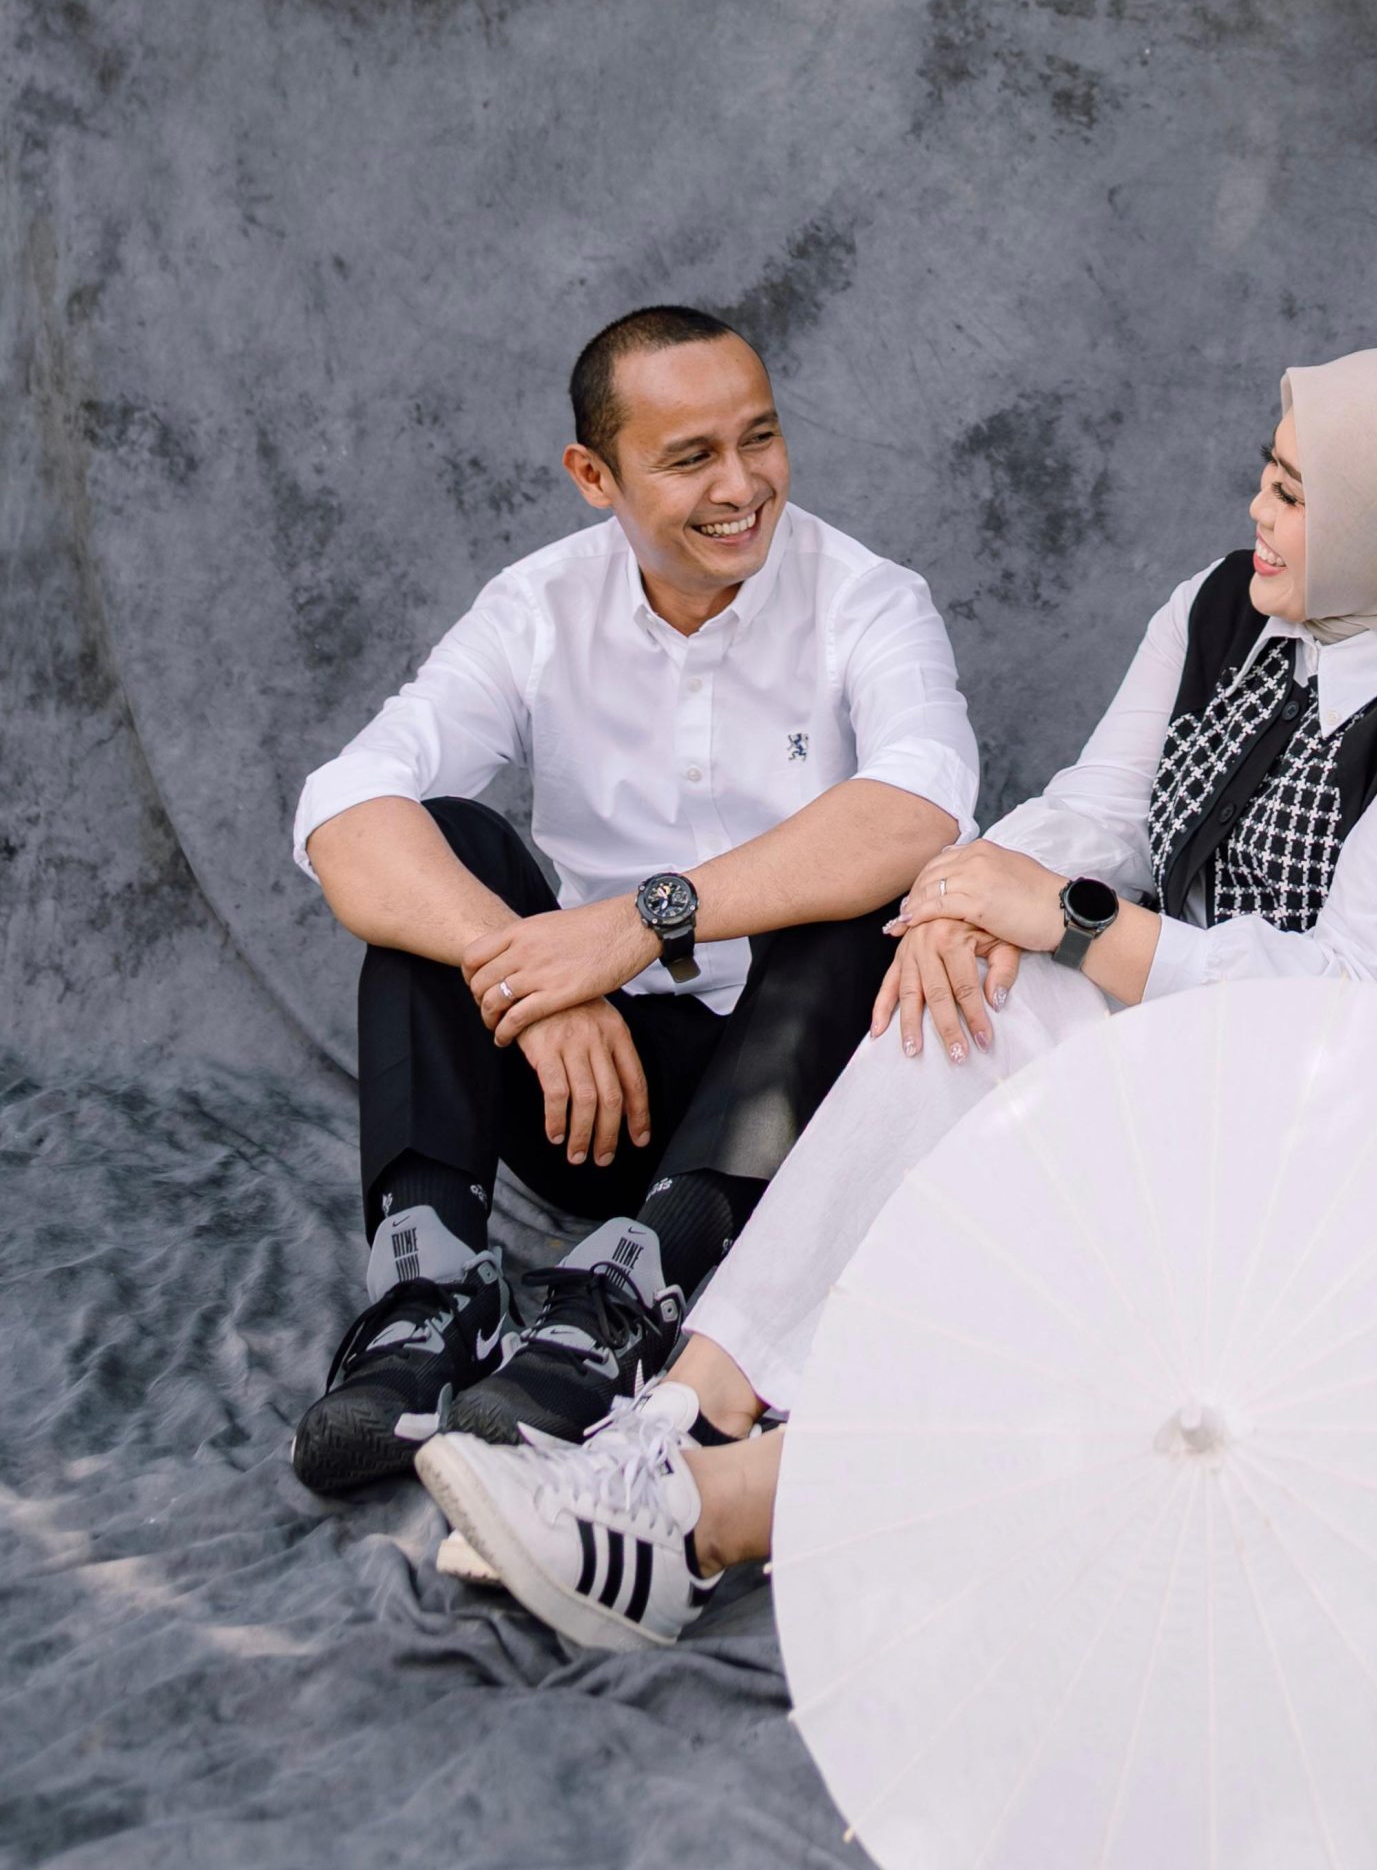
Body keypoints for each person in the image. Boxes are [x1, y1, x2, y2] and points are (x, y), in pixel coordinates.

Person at [412, 347, 1377, 1645]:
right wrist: (963, 895)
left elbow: (1348, 1009)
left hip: (1362, 1176)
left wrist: (1065, 918)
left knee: (1044, 1019)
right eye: (1265, 478)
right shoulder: (1230, 609)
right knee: (978, 986)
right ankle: (682, 1412)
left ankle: (708, 1513)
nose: (1256, 515)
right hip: (1215, 1085)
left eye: (1294, 495)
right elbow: (1097, 810)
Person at [287, 305, 979, 1493]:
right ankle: (426, 1300)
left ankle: (630, 1295)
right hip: (589, 1102)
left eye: (758, 438)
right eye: (690, 457)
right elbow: (343, 805)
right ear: (593, 475)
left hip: (790, 1117)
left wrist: (629, 925)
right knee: (441, 844)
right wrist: (530, 972)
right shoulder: (537, 606)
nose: (741, 486)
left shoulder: (868, 598)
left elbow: (920, 802)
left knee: (863, 889)